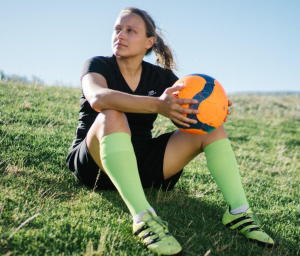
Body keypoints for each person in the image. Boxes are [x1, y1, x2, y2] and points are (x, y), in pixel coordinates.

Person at [66, 7, 274, 255]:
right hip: (95, 165)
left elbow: (189, 106)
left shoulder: (161, 77)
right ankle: (144, 219)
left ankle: (239, 213)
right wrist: (157, 105)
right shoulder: (98, 65)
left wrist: (213, 110)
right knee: (112, 114)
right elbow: (98, 98)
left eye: (131, 30)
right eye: (117, 29)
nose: (120, 35)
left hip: (141, 163)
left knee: (212, 129)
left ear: (148, 42)